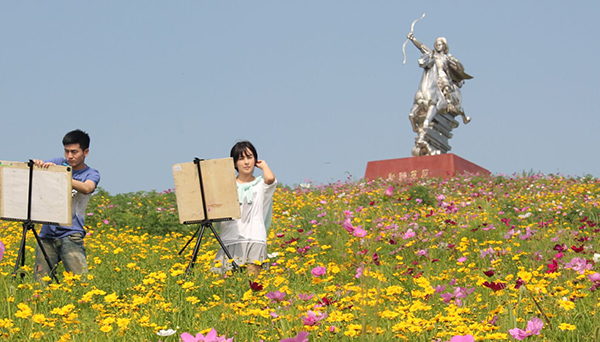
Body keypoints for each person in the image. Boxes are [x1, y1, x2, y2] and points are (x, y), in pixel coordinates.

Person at [32, 129, 100, 280]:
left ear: (86, 152)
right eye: (67, 151)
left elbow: (88, 188)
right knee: (40, 283)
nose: (70, 156)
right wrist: (39, 165)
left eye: (74, 152)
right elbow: (40, 171)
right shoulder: (58, 162)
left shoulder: (91, 173)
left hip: (71, 234)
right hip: (47, 234)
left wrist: (62, 175)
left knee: (79, 282)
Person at [214, 141, 276, 276]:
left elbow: (270, 179)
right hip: (230, 239)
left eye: (250, 157)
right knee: (227, 286)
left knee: (253, 284)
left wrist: (264, 165)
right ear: (235, 163)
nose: (246, 162)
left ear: (255, 160)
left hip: (255, 238)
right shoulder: (227, 185)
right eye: (241, 158)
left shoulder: (260, 184)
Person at [407, 33, 473, 136]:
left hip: (443, 78)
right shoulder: (432, 54)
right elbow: (422, 47)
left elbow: (459, 68)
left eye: (440, 44)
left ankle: (450, 105)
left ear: (444, 46)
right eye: (436, 44)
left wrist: (456, 62)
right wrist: (413, 39)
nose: (438, 45)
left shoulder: (446, 58)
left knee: (446, 88)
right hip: (432, 77)